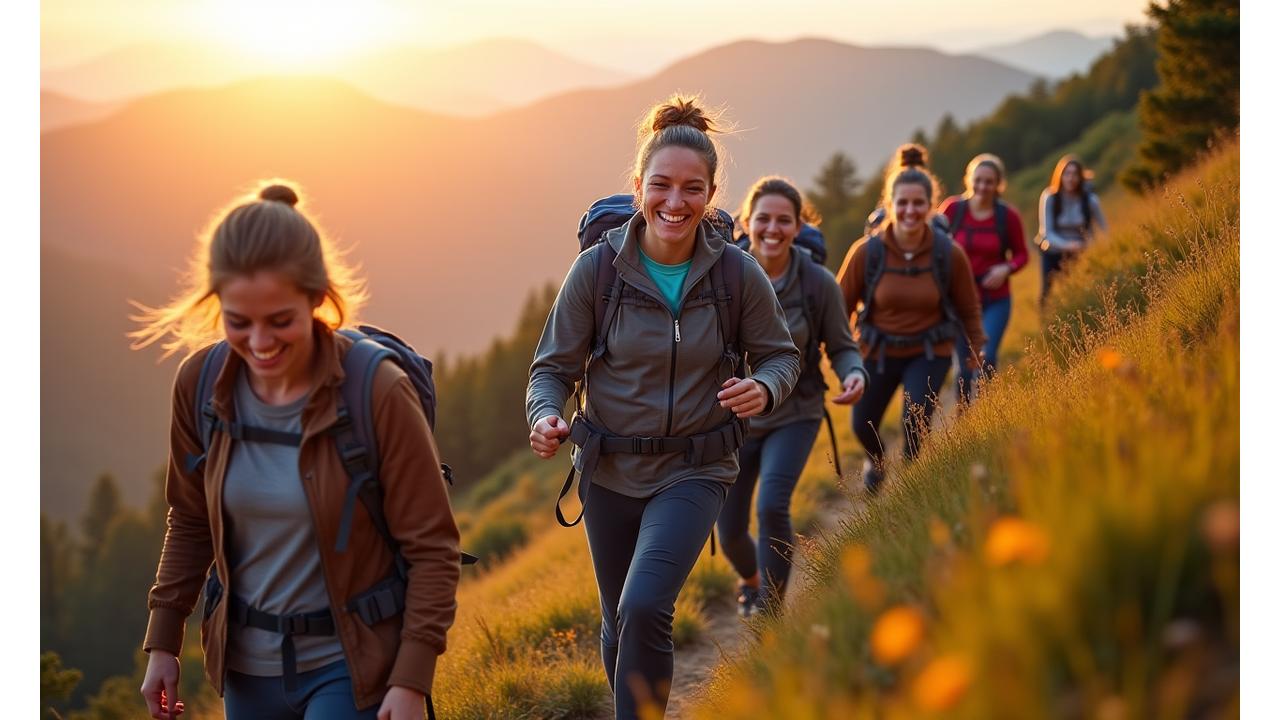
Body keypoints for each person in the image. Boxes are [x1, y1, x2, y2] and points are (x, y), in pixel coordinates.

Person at [132, 183, 460, 720]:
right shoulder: (202, 385)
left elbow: (433, 548)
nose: (260, 342)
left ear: (316, 298)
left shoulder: (375, 390)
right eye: (238, 321)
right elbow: (191, 520)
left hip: (350, 668)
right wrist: (163, 640)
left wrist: (411, 679)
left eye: (280, 320)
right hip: (246, 671)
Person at [526, 97, 801, 719]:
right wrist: (543, 416)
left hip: (695, 470)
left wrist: (765, 388)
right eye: (661, 186)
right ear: (637, 188)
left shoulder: (737, 274)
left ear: (711, 194)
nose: (674, 203)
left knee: (645, 604)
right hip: (607, 470)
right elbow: (551, 368)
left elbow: (782, 357)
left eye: (691, 189)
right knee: (617, 620)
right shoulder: (597, 272)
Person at [715, 177, 867, 618]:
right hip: (734, 423)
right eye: (763, 219)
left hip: (795, 412)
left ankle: (771, 610)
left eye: (784, 220)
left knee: (772, 505)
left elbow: (841, 345)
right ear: (747, 222)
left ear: (799, 227)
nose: (773, 228)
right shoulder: (724, 273)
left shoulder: (818, 283)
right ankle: (751, 579)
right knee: (729, 529)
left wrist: (853, 373)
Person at [836, 144, 986, 494]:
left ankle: (912, 487)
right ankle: (877, 461)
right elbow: (838, 307)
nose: (909, 210)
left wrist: (976, 346)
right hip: (876, 349)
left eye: (918, 203)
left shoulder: (947, 253)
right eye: (902, 203)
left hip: (929, 350)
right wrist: (836, 355)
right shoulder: (866, 252)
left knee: (915, 420)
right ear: (889, 205)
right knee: (863, 425)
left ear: (931, 206)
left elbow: (968, 306)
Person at [939, 154, 1028, 401]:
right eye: (978, 180)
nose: (982, 187)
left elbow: (1022, 254)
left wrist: (1005, 269)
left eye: (989, 182)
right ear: (968, 180)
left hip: (995, 299)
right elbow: (935, 245)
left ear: (998, 184)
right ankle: (965, 418)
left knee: (986, 357)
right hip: (958, 301)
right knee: (963, 369)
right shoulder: (952, 210)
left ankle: (991, 408)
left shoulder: (1006, 216)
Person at [1037, 154, 1108, 305]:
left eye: (1074, 174)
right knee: (1046, 291)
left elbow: (1103, 228)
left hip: (1080, 254)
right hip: (1053, 252)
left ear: (1080, 177)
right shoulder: (1050, 197)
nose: (1070, 178)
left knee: (1077, 289)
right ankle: (1044, 321)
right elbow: (1046, 233)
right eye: (1067, 174)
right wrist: (1068, 245)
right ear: (1060, 175)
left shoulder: (1089, 200)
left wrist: (1096, 246)